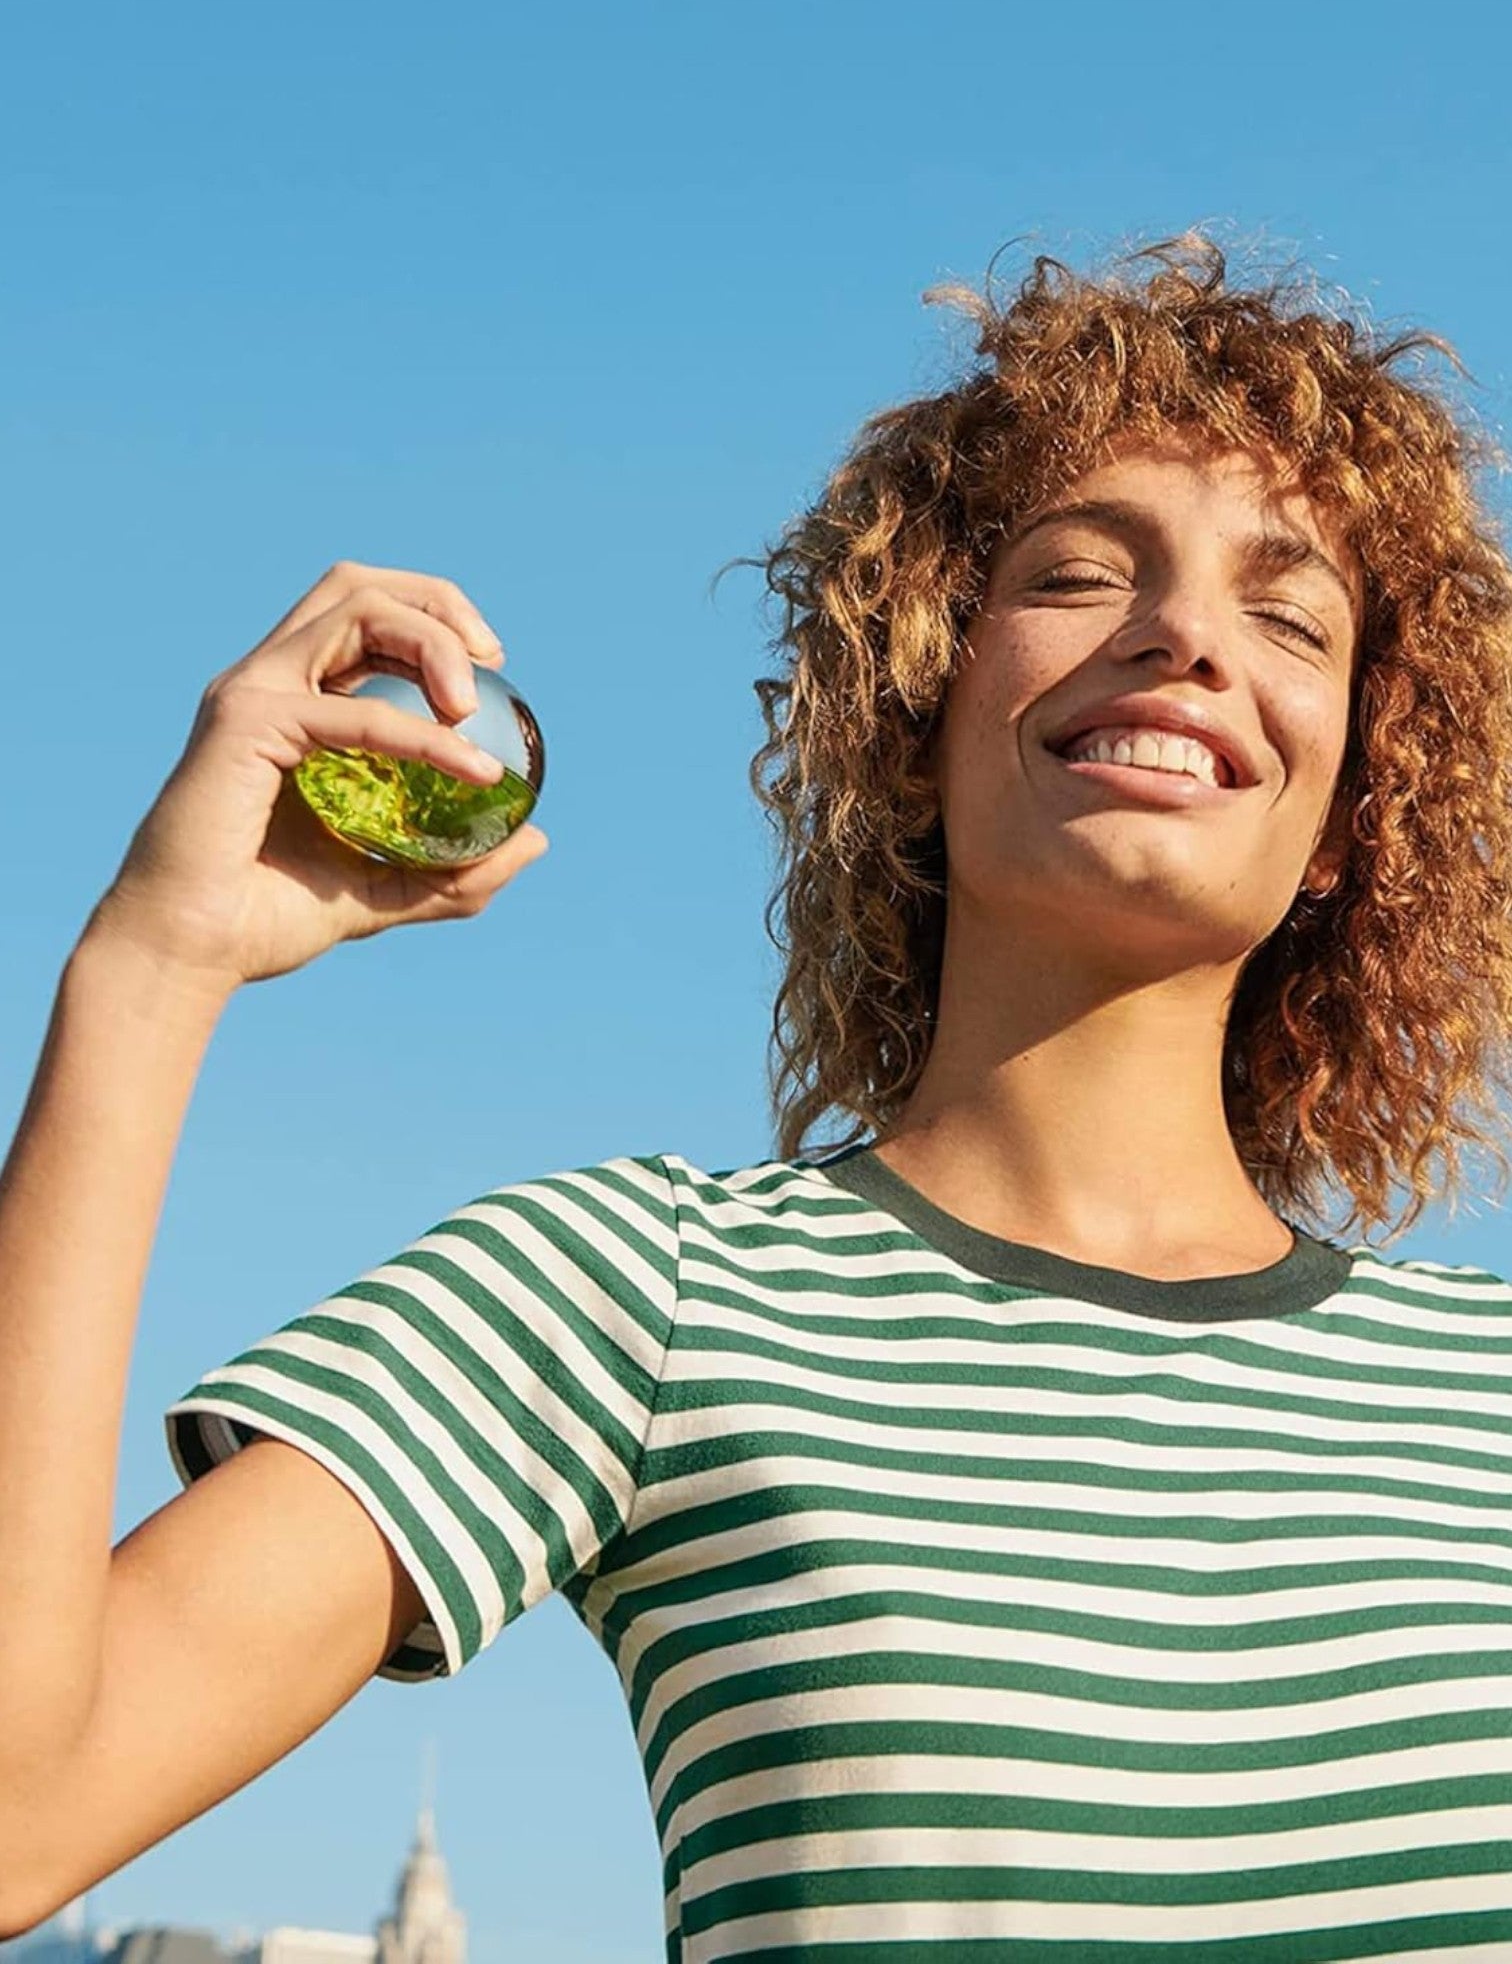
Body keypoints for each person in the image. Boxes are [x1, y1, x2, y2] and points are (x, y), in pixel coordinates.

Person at [3, 231, 1512, 1960]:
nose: (1183, 636)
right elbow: (19, 1811)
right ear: (915, 714)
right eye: (1081, 574)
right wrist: (150, 965)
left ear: (1351, 820)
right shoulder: (636, 1293)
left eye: (1289, 614)